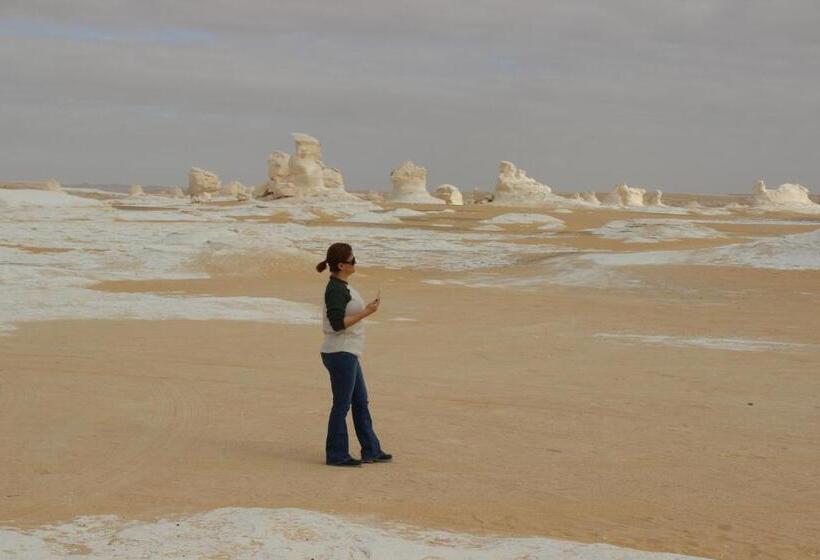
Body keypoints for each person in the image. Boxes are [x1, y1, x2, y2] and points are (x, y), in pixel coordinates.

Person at [316, 243, 392, 467]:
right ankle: (336, 454)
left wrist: (366, 309)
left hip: (348, 351)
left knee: (360, 401)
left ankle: (371, 449)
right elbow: (338, 324)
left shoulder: (342, 285)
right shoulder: (335, 289)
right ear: (341, 265)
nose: (355, 263)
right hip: (340, 352)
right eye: (352, 260)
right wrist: (367, 312)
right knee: (342, 404)